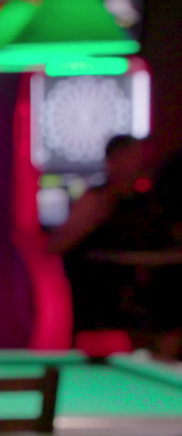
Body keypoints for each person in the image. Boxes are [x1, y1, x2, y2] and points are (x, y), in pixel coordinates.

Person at [48, 134, 182, 356]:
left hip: (147, 295)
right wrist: (99, 211)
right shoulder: (95, 200)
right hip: (105, 302)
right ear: (111, 161)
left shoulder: (149, 203)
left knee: (170, 303)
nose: (139, 162)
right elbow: (56, 245)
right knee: (164, 313)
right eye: (131, 156)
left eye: (140, 156)